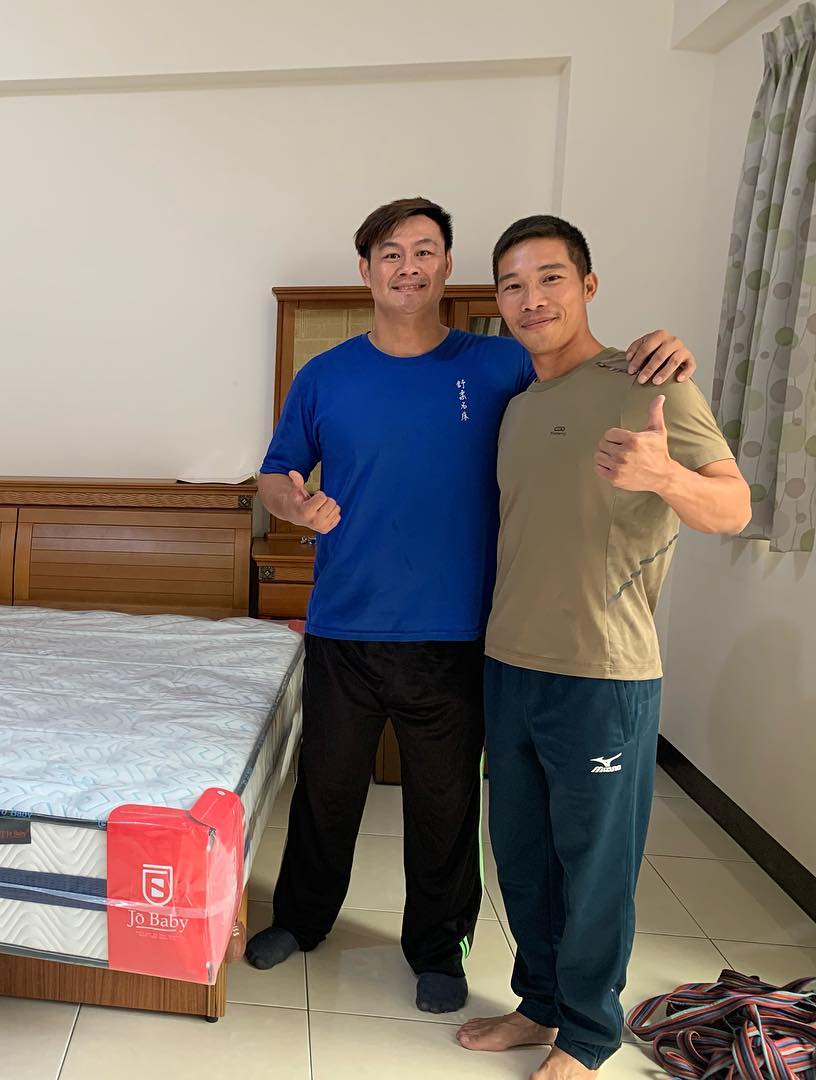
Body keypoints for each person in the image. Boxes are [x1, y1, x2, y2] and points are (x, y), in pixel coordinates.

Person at [246, 197, 698, 1017]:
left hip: (460, 632)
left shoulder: (500, 366)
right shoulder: (325, 376)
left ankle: (437, 946)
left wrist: (656, 351)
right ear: (366, 271)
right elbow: (275, 474)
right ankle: (301, 919)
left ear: (448, 267)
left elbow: (579, 377)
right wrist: (296, 504)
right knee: (326, 790)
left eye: (424, 251)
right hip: (345, 624)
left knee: (445, 804)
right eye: (391, 254)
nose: (408, 267)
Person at [455, 215, 749, 1078]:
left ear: (587, 286)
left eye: (550, 278)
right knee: (522, 856)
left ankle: (587, 1034)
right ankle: (541, 1005)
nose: (531, 299)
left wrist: (665, 475)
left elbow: (733, 508)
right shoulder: (518, 407)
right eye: (513, 285)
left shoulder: (651, 382)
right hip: (510, 663)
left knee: (593, 866)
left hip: (603, 672)